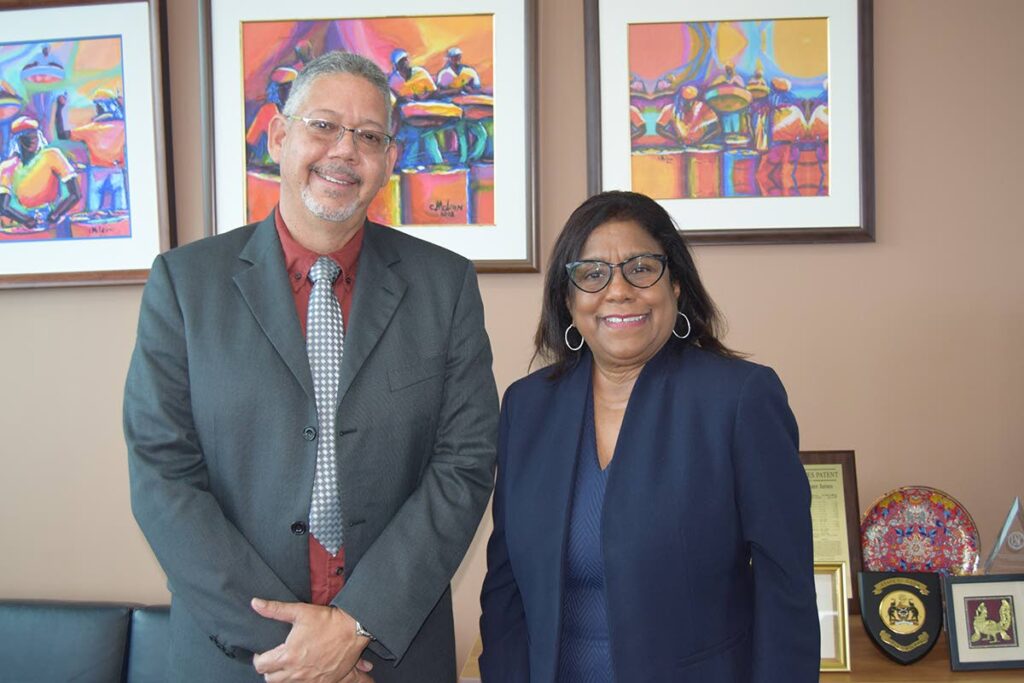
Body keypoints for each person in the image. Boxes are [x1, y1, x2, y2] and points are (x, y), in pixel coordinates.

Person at [124, 51, 498, 683]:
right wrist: (298, 647)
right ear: (279, 137)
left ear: (389, 158)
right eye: (323, 125)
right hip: (238, 659)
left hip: (390, 653)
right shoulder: (186, 286)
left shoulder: (446, 286)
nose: (344, 151)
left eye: (369, 136)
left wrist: (354, 628)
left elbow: (464, 464)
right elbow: (163, 478)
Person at [479, 191, 819, 682]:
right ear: (568, 299)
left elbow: (784, 587)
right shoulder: (528, 407)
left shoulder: (740, 399)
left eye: (641, 268)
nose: (618, 290)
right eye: (592, 274)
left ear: (676, 283)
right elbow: (506, 585)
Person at [0, 115, 79, 235]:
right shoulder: (7, 167)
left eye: (34, 135)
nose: (33, 139)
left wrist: (56, 214)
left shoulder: (52, 155)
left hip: (54, 217)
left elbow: (76, 193)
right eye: (27, 136)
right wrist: (25, 219)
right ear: (18, 140)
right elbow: (2, 206)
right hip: (23, 223)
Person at [55, 88, 127, 213]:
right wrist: (122, 106)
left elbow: (61, 134)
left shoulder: (91, 129)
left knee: (95, 213)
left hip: (97, 173)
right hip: (116, 172)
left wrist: (60, 108)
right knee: (121, 213)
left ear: (99, 107)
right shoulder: (122, 126)